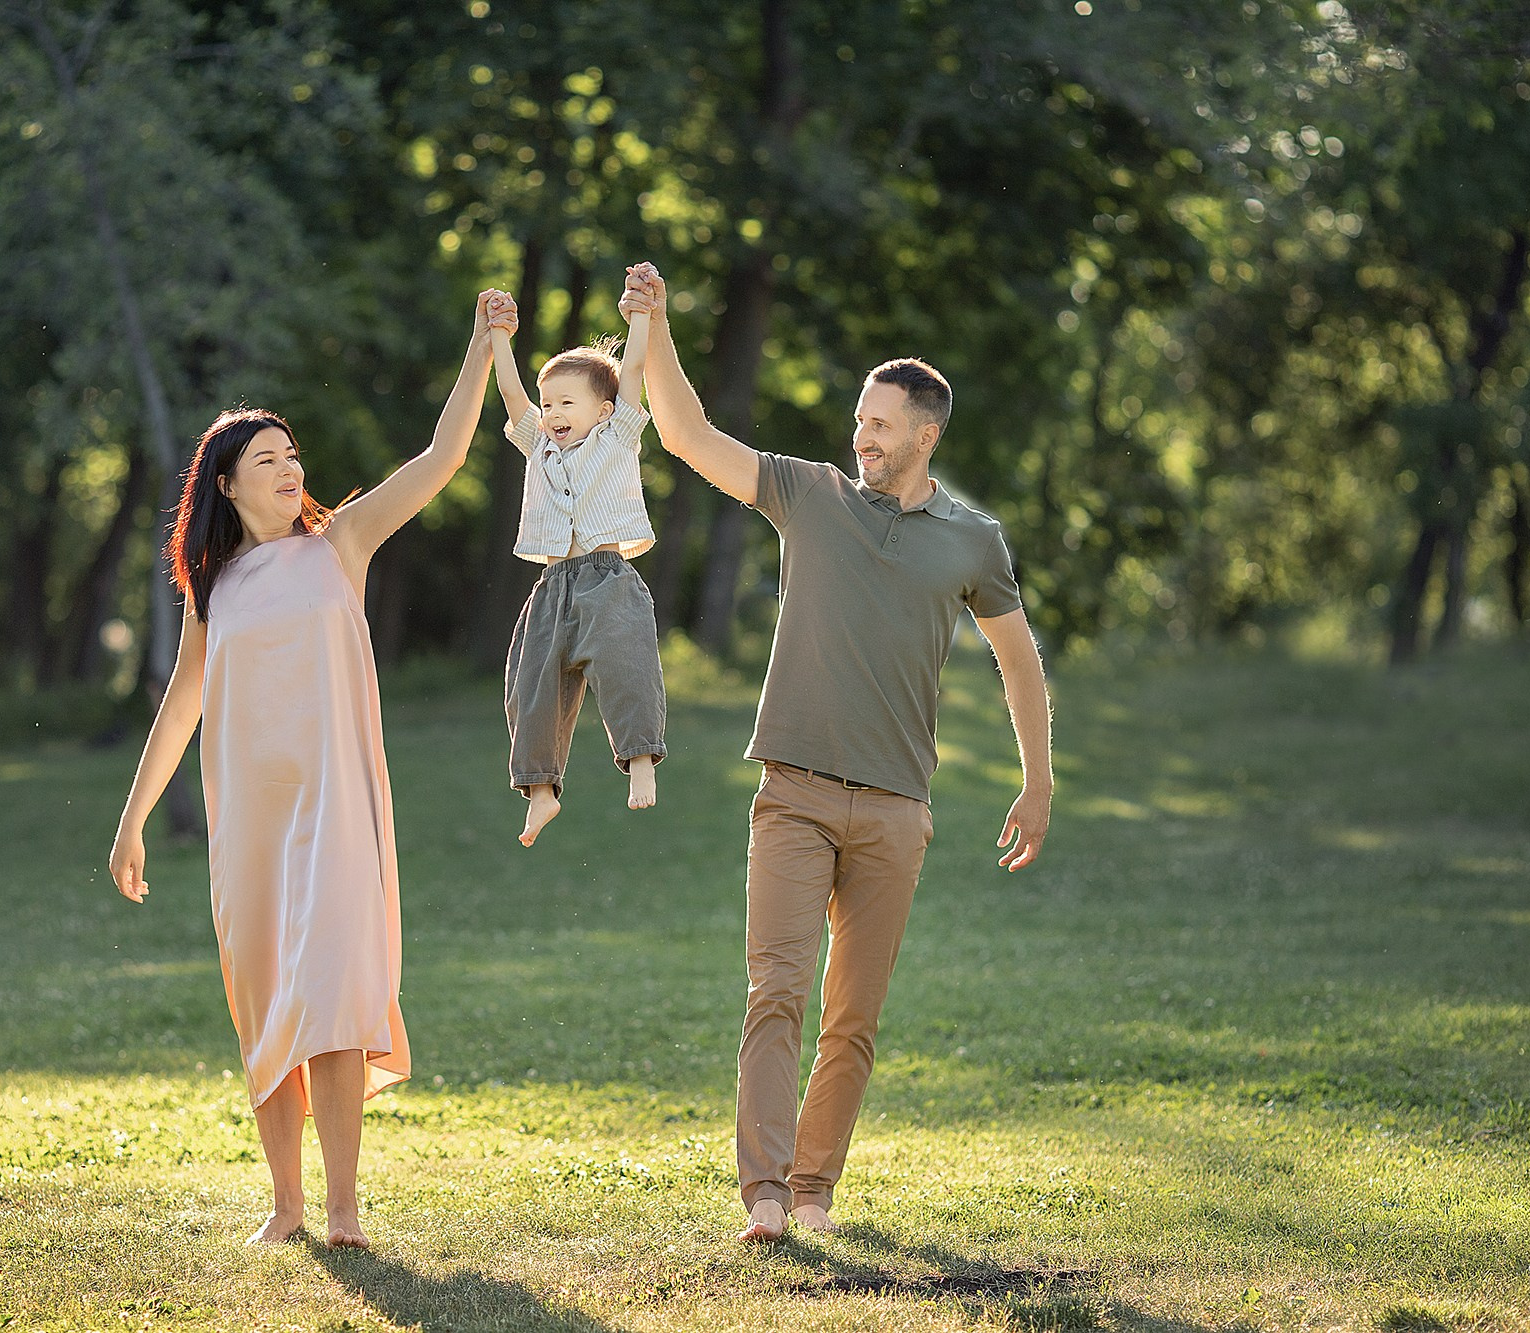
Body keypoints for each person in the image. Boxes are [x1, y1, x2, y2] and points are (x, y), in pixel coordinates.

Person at [619, 263, 1054, 1243]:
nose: (861, 434)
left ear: (924, 434)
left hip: (897, 808)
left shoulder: (972, 542)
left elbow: (1017, 664)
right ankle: (765, 1194)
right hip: (794, 791)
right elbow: (688, 434)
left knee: (851, 1019)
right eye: (858, 418)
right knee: (774, 990)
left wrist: (1036, 780)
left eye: (880, 423)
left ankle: (813, 1188)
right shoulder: (807, 494)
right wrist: (655, 327)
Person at [106, 290, 509, 1249]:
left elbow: (441, 459)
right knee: (269, 1009)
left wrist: (483, 345)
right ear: (228, 486)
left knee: (331, 998)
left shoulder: (342, 546)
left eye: (293, 456)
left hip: (334, 813)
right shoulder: (215, 591)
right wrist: (131, 822)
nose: (290, 470)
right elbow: (181, 704)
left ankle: (340, 1213)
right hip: (250, 821)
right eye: (267, 460)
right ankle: (284, 1206)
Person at [487, 282, 666, 846]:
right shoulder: (537, 448)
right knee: (531, 680)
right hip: (551, 584)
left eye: (567, 402)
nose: (553, 413)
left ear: (604, 410)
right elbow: (512, 396)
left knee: (623, 658)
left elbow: (633, 368)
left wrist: (639, 317)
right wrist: (499, 337)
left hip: (607, 577)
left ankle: (640, 755)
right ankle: (541, 789)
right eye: (549, 404)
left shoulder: (618, 439)